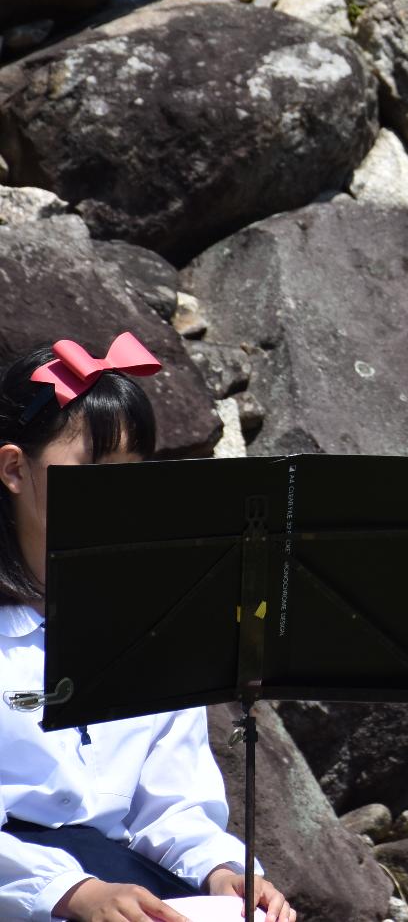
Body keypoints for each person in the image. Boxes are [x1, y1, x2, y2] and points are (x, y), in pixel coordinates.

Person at [0, 335, 293, 922]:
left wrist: (222, 870)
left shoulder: (154, 626)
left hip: (112, 883)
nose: (116, 494)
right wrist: (71, 893)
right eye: (93, 468)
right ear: (13, 468)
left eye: (131, 472)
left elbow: (172, 805)